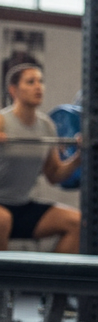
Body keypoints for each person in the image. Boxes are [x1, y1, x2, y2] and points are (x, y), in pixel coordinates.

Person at [0, 63, 82, 252]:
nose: (38, 86)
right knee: (2, 220)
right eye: (30, 82)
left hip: (22, 206)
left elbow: (53, 175)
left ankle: (53, 280)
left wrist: (79, 157)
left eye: (40, 81)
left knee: (77, 222)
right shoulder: (2, 121)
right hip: (1, 210)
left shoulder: (47, 126)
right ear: (14, 90)